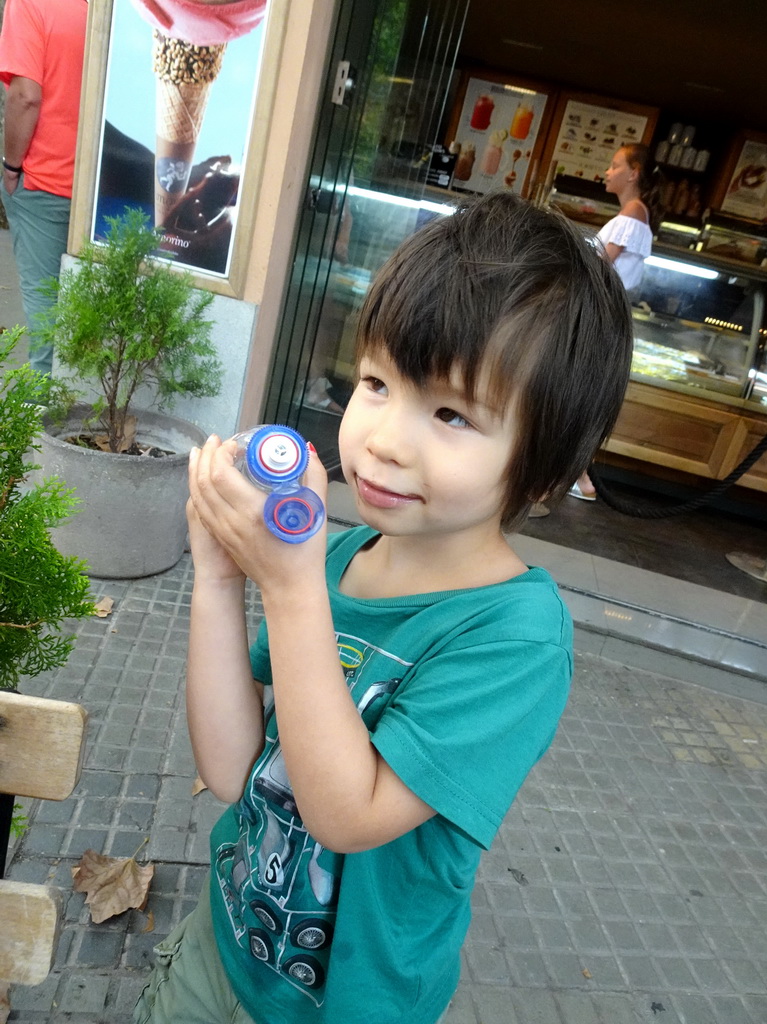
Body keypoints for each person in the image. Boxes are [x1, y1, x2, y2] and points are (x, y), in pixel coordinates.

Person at [133, 192, 633, 1024]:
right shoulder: (333, 559)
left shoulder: (514, 638)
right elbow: (231, 769)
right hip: (226, 944)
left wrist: (288, 592)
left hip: (354, 1006)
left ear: (542, 475)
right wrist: (222, 576)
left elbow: (345, 814)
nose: (384, 438)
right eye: (375, 382)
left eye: (450, 413)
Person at [0, 0, 88, 376]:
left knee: (46, 319)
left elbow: (25, 96)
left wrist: (10, 165)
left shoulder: (30, 3)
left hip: (44, 180)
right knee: (86, 320)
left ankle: (38, 429)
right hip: (98, 189)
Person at [569, 142, 658, 501]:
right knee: (580, 392)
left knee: (578, 393)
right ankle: (577, 474)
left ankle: (581, 476)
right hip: (606, 315)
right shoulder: (633, 214)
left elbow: (600, 266)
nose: (607, 171)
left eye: (615, 164)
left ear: (634, 173)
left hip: (602, 316)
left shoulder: (633, 213)